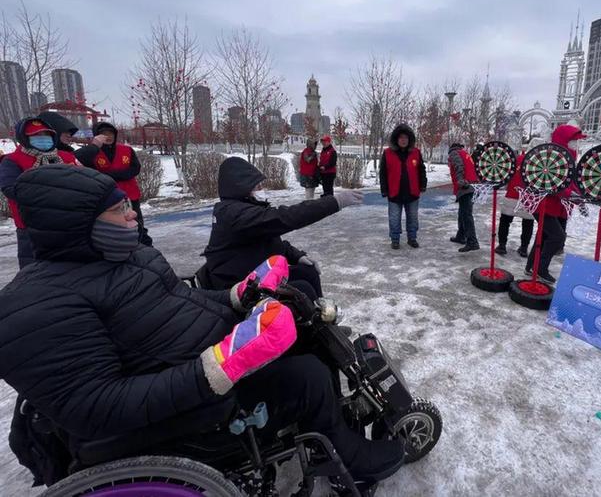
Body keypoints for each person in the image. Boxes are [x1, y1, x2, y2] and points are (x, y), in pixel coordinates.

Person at [0, 164, 404, 487]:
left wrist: (236, 298)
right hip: (190, 407)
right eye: (118, 210)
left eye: (128, 205)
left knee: (303, 332)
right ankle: (342, 453)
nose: (132, 215)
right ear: (77, 223)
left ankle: (329, 425)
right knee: (307, 375)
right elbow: (96, 407)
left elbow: (181, 298)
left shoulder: (130, 259)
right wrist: (213, 369)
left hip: (197, 356)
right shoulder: (37, 306)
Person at [199, 156, 364, 295]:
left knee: (308, 273)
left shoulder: (244, 209)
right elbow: (285, 218)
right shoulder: (234, 214)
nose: (262, 190)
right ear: (241, 188)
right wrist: (335, 202)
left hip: (253, 274)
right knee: (301, 289)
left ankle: (324, 323)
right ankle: (311, 328)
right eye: (257, 187)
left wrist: (297, 255)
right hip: (238, 286)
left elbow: (269, 241)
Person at [0, 117, 79, 267]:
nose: (43, 139)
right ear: (24, 138)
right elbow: (11, 189)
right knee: (34, 269)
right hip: (31, 227)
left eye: (46, 135)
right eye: (36, 136)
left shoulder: (65, 157)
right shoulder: (12, 161)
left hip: (67, 223)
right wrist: (52, 191)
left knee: (69, 267)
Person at [524, 124, 587, 283]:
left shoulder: (570, 156)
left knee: (544, 236)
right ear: (564, 139)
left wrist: (579, 199)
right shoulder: (550, 156)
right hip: (544, 205)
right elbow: (550, 181)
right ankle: (540, 268)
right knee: (557, 237)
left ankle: (531, 266)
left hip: (557, 208)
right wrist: (569, 194)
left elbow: (571, 182)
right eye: (573, 140)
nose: (576, 144)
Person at [76, 121, 153, 246]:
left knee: (136, 223)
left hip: (130, 195)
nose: (108, 136)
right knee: (114, 226)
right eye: (104, 133)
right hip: (106, 198)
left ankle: (143, 245)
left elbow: (135, 168)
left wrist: (110, 175)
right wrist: (95, 147)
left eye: (111, 133)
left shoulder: (126, 150)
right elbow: (86, 168)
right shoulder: (91, 152)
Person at [379, 124, 427, 250]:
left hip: (412, 193)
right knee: (394, 218)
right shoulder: (387, 153)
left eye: (406, 137)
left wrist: (423, 184)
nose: (403, 140)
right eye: (401, 137)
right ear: (396, 139)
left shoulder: (416, 152)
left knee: (413, 217)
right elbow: (383, 172)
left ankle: (412, 238)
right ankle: (395, 239)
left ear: (409, 139)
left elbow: (422, 170)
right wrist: (384, 189)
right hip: (394, 193)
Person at [496, 146, 534, 257]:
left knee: (505, 221)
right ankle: (523, 248)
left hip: (512, 194)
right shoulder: (534, 162)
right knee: (527, 223)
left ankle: (502, 245)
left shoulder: (514, 161)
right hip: (528, 198)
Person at [448, 142, 479, 252]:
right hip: (473, 185)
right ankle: (461, 236)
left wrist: (461, 181)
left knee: (466, 215)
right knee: (463, 212)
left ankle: (472, 242)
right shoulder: (465, 153)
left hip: (465, 186)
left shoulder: (454, 154)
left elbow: (458, 166)